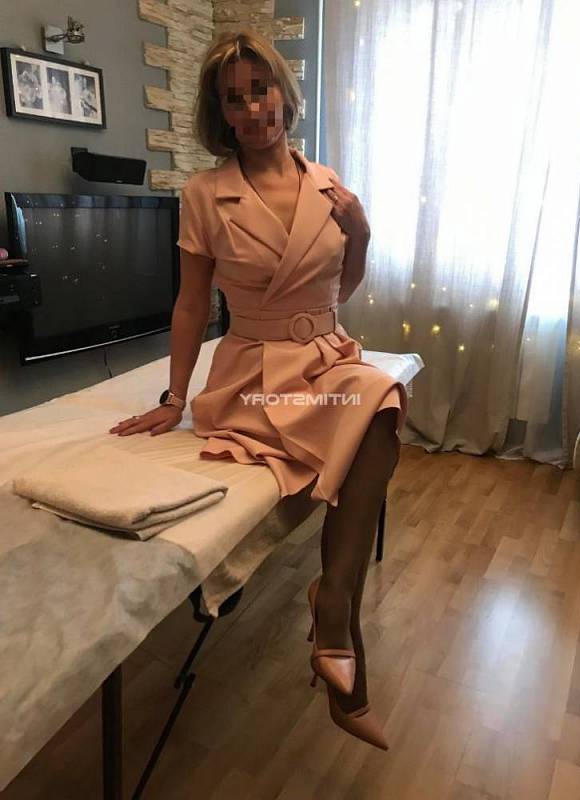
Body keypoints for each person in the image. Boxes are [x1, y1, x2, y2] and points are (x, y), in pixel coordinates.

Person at [109, 29, 408, 750]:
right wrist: (174, 399)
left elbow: (341, 288)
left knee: (380, 403)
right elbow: (191, 304)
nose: (252, 109)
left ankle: (332, 603)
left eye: (260, 89)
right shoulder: (206, 194)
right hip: (255, 372)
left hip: (326, 357)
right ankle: (340, 639)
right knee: (372, 411)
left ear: (283, 93)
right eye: (233, 98)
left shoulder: (329, 184)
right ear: (220, 113)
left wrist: (362, 232)